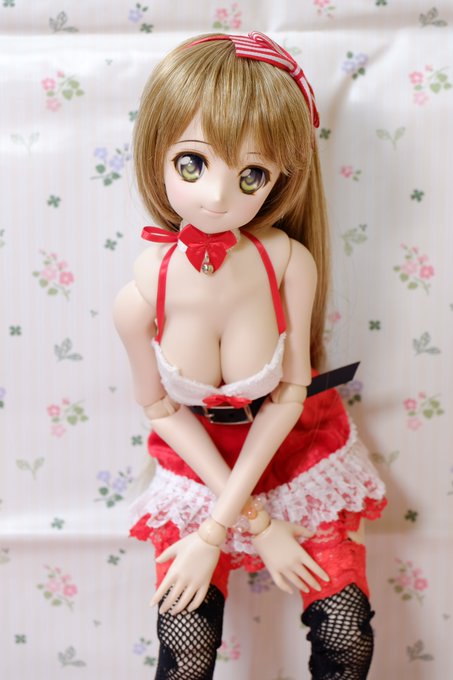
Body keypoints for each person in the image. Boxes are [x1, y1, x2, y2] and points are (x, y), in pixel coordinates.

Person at [114, 32, 386, 680]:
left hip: (295, 449)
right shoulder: (139, 296)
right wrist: (242, 526)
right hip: (197, 463)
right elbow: (160, 409)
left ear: (278, 179)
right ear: (156, 153)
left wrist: (227, 530)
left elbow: (289, 398)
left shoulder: (288, 262)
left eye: (251, 175)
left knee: (345, 636)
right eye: (192, 163)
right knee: (185, 651)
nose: (217, 197)